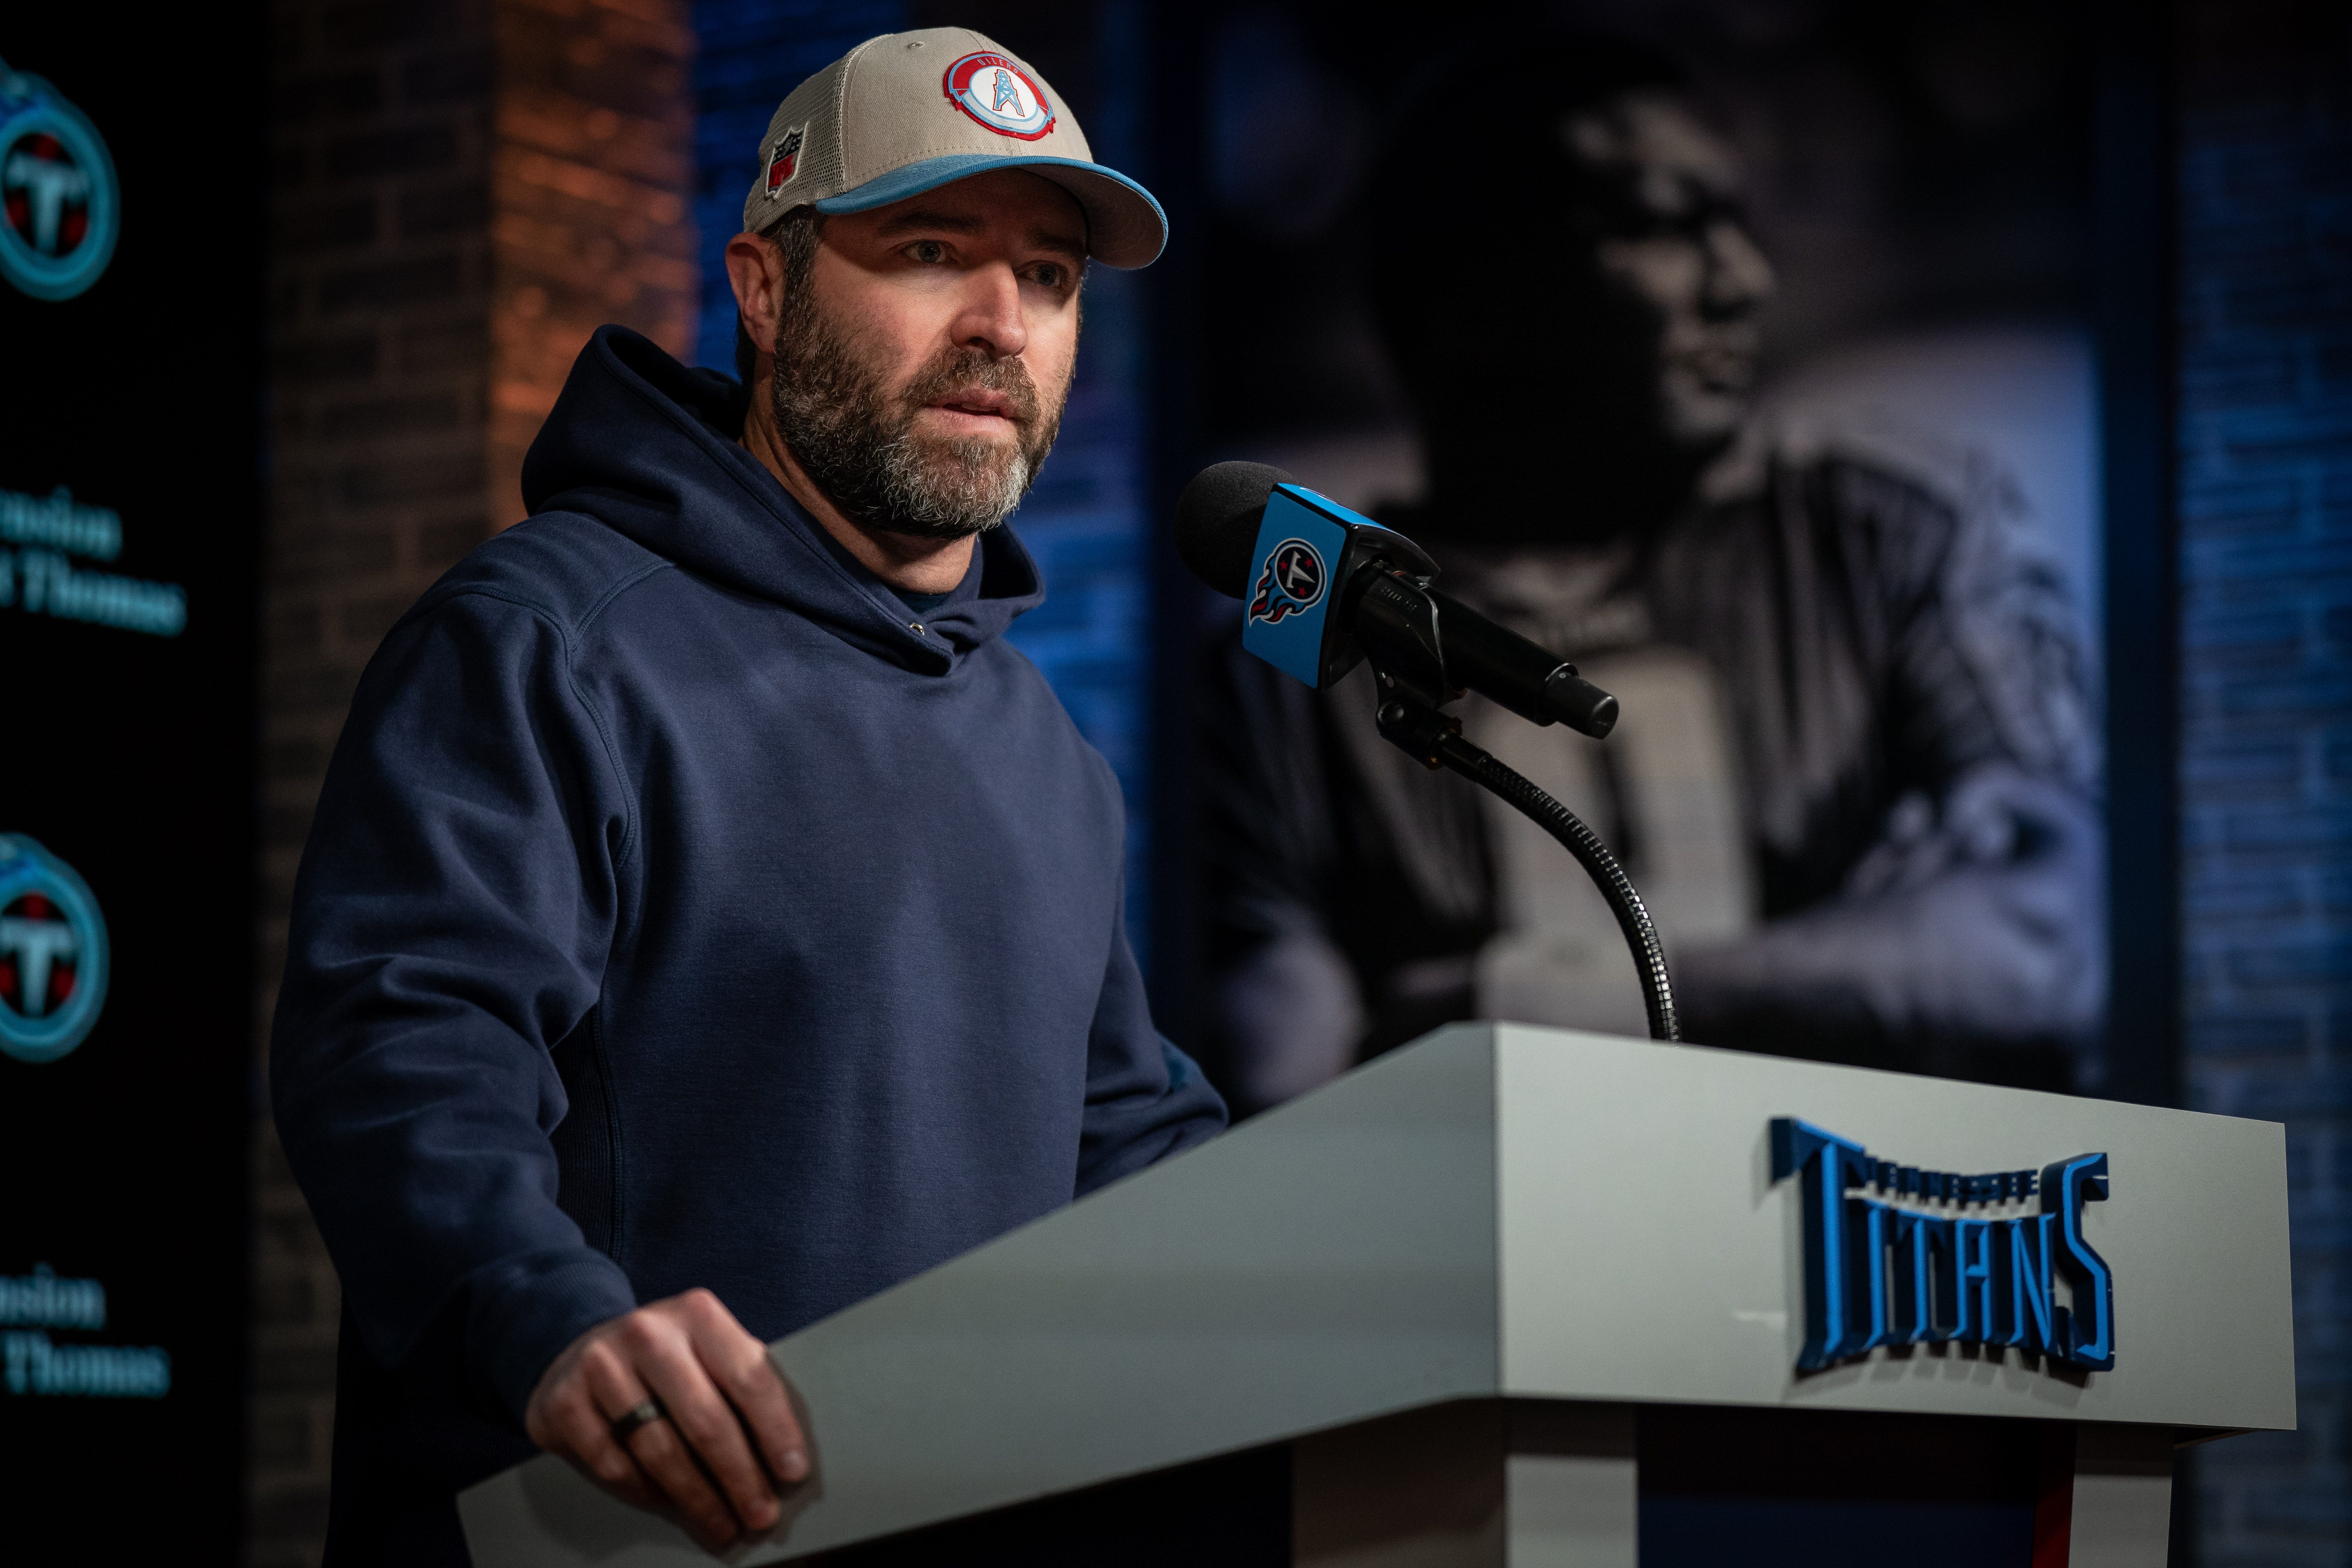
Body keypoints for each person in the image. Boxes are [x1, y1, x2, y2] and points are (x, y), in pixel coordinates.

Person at [272, 28, 1225, 1562]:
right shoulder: (547, 639)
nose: (1002, 323)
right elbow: (402, 1049)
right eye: (930, 250)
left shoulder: (1044, 747)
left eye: (1049, 277)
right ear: (765, 291)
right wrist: (552, 1321)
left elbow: (1125, 1145)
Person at [1199, 38, 2101, 1114]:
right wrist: (1845, 960)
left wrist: (1502, 1010)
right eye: (1663, 226)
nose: (1742, 281)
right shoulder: (1292, 634)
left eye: (1739, 226)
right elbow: (1282, 1090)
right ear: (1468, 292)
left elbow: (2040, 943)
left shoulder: (1890, 536)